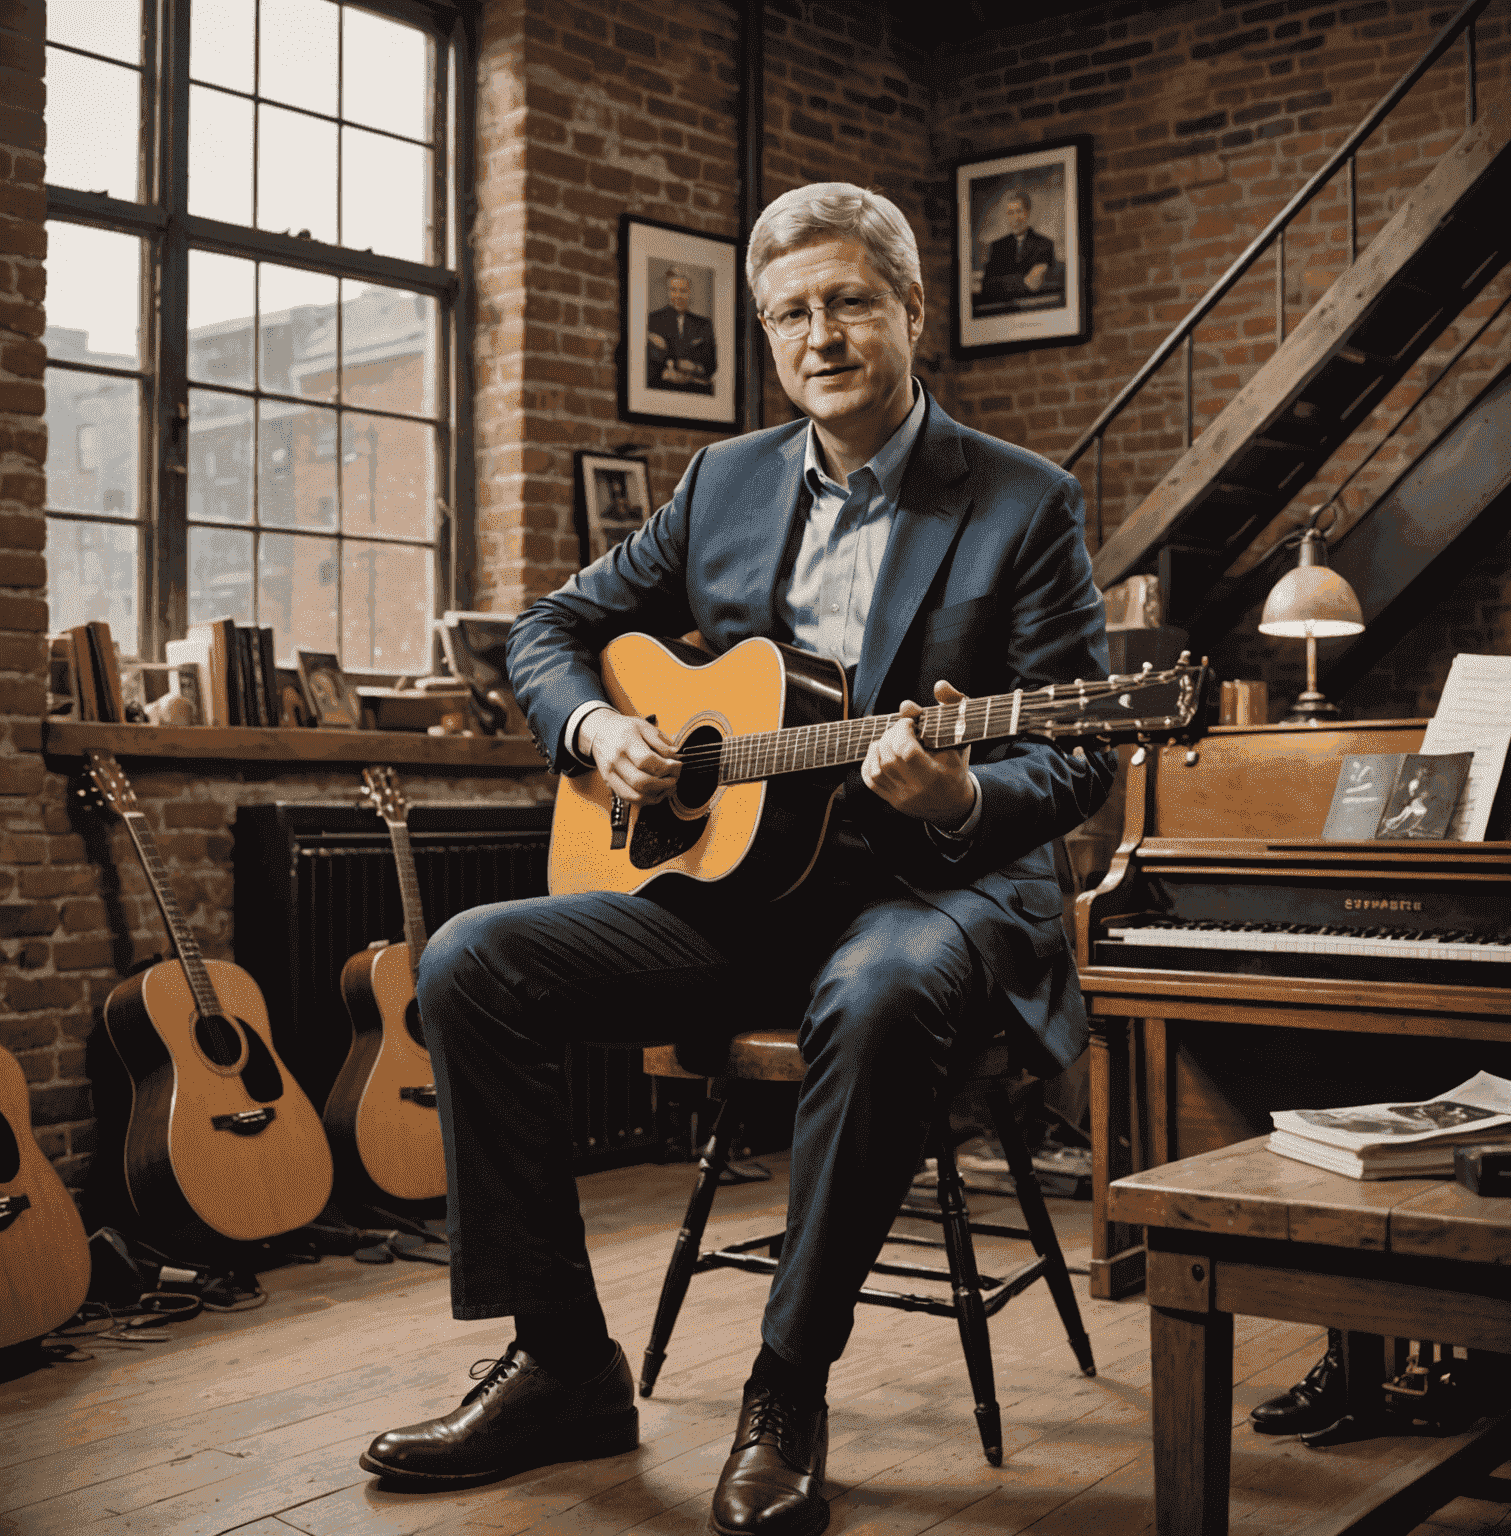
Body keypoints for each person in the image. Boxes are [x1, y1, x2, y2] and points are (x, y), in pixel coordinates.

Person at [359, 182, 1115, 1535]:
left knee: (877, 995)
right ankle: (562, 1366)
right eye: (790, 314)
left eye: (847, 301)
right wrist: (596, 729)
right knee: (474, 960)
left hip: (929, 895)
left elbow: (1081, 753)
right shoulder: (723, 482)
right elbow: (545, 632)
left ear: (911, 312)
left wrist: (954, 795)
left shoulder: (1023, 503)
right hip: (744, 896)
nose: (819, 334)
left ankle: (784, 1393)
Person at [978, 188, 1056, 306]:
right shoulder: (997, 247)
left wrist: (1006, 282)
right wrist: (1022, 281)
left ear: (1028, 212)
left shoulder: (1044, 244)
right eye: (1010, 213)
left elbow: (1036, 284)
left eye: (1019, 211)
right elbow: (988, 287)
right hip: (1004, 312)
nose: (1015, 218)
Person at [646, 267, 718, 392]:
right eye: (673, 290)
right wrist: (674, 366)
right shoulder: (653, 320)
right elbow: (648, 362)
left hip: (696, 392)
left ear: (690, 293)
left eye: (683, 291)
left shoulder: (704, 324)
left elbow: (711, 365)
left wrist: (694, 368)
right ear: (667, 292)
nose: (678, 296)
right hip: (662, 391)